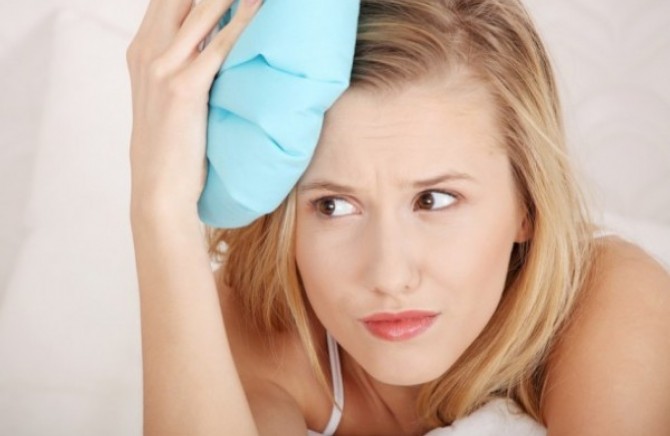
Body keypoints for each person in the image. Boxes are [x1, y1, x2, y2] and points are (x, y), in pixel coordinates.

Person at [126, 0, 670, 434]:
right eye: (333, 206)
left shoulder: (610, 299)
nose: (388, 275)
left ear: (528, 202)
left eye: (434, 200)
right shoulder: (259, 325)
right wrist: (160, 210)